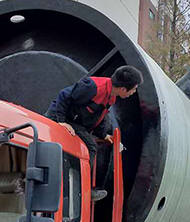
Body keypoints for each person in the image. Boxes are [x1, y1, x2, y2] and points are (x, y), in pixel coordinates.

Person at [45, 65, 143, 201]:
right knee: (91, 146)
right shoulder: (93, 87)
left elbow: (98, 117)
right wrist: (61, 121)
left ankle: (75, 186)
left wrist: (103, 135)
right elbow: (64, 95)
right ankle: (82, 190)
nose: (134, 92)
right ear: (123, 89)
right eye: (134, 89)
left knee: (88, 144)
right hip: (59, 116)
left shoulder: (111, 97)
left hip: (75, 121)